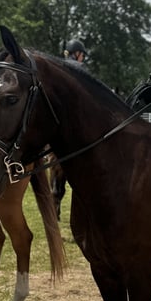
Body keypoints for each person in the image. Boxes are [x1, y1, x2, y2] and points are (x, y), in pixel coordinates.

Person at [51, 38, 88, 219]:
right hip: (76, 128)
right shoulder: (80, 69)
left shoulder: (57, 68)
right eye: (82, 55)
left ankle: (54, 206)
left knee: (55, 168)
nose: (83, 58)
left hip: (56, 127)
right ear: (77, 54)